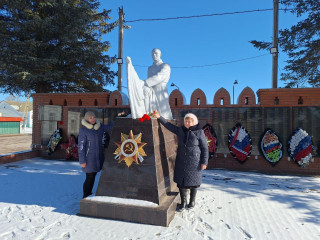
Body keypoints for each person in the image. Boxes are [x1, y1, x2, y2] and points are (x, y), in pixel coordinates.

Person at [152, 111, 209, 211]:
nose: (187, 123)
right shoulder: (181, 130)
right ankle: (183, 203)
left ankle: (192, 202)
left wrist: (204, 162)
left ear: (194, 122)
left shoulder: (199, 132)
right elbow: (169, 126)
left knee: (193, 182)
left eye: (189, 122)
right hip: (182, 160)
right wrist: (159, 117)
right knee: (181, 182)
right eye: (185, 121)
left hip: (194, 161)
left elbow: (204, 148)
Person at [126, 48, 173, 119]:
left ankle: (164, 118)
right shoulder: (150, 68)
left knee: (163, 111)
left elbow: (159, 77)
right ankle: (145, 113)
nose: (154, 55)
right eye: (152, 54)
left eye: (156, 53)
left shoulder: (165, 66)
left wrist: (145, 82)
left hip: (160, 90)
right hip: (150, 88)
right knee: (144, 92)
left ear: (160, 54)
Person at [78, 111, 112, 198]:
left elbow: (109, 127)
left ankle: (89, 194)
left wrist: (121, 118)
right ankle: (85, 196)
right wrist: (82, 161)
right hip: (89, 158)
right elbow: (81, 146)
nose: (92, 119)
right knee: (89, 177)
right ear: (87, 119)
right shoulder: (84, 130)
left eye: (93, 117)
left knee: (93, 175)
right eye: (90, 118)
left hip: (98, 156)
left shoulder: (99, 127)